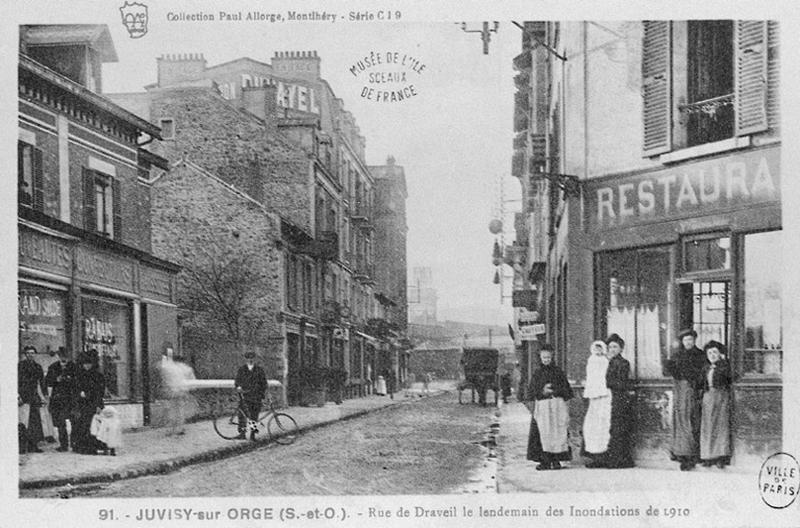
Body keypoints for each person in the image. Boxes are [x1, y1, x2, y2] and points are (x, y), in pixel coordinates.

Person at [589, 333, 635, 468]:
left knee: (616, 429)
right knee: (601, 428)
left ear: (621, 349)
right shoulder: (604, 361)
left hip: (618, 398)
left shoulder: (623, 363)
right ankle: (600, 458)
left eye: (615, 347)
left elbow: (621, 382)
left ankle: (617, 459)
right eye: (610, 347)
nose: (612, 350)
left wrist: (607, 383)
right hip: (603, 399)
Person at [666, 328, 708, 470]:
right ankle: (680, 453)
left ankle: (691, 454)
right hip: (679, 390)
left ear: (694, 340)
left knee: (691, 420)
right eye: (685, 340)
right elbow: (670, 370)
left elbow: (702, 374)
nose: (688, 342)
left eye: (690, 339)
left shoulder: (700, 355)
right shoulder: (678, 355)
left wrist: (695, 384)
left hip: (692, 390)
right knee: (680, 420)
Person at [526, 345, 573, 470]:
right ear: (540, 358)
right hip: (543, 405)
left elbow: (566, 389)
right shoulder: (537, 373)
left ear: (552, 357)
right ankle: (545, 461)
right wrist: (542, 391)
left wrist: (554, 390)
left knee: (558, 431)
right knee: (544, 432)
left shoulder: (558, 372)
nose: (546, 360)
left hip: (557, 405)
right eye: (544, 357)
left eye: (548, 357)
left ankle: (556, 460)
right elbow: (532, 391)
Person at [699, 341, 732, 469]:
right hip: (708, 397)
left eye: (715, 352)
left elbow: (729, 379)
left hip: (721, 397)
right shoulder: (706, 368)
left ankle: (721, 457)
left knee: (720, 425)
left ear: (720, 354)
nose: (712, 355)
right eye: (710, 353)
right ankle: (708, 456)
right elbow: (701, 382)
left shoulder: (724, 366)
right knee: (708, 426)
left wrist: (720, 367)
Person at [582, 340, 611, 461]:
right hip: (594, 394)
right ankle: (593, 451)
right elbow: (591, 376)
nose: (598, 351)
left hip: (604, 395)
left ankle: (603, 452)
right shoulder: (591, 360)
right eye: (596, 349)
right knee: (593, 423)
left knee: (604, 423)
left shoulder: (605, 361)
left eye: (600, 349)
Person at [73, 350, 106, 454]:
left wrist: (99, 405)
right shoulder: (79, 375)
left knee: (94, 426)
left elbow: (100, 392)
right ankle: (82, 447)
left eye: (89, 364)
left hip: (93, 404)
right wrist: (79, 394)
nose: (87, 366)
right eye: (85, 364)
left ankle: (92, 447)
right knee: (82, 426)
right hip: (82, 405)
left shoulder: (98, 376)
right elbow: (74, 389)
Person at [45, 346, 77, 452]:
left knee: (74, 421)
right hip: (58, 399)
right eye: (61, 356)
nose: (64, 358)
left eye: (65, 356)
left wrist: (69, 379)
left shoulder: (74, 367)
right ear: (58, 356)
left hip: (71, 398)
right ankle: (63, 445)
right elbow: (48, 382)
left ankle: (74, 443)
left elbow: (79, 381)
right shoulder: (53, 367)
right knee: (60, 422)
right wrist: (56, 379)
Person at [18, 345, 47, 453]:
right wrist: (18, 396)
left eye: (32, 353)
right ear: (25, 354)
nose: (30, 355)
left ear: (35, 354)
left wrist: (44, 396)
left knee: (35, 421)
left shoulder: (38, 367)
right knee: (23, 422)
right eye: (28, 353)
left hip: (34, 396)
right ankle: (22, 446)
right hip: (23, 396)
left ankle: (34, 445)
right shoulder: (20, 366)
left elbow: (42, 382)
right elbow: (16, 382)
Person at [234, 351, 268, 440]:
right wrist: (238, 387)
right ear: (246, 359)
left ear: (255, 359)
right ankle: (242, 434)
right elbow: (237, 381)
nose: (250, 360)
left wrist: (262, 394)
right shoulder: (242, 369)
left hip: (256, 396)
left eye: (252, 358)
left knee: (254, 415)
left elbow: (264, 383)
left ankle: (252, 435)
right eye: (248, 358)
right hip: (245, 395)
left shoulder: (259, 370)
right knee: (242, 415)